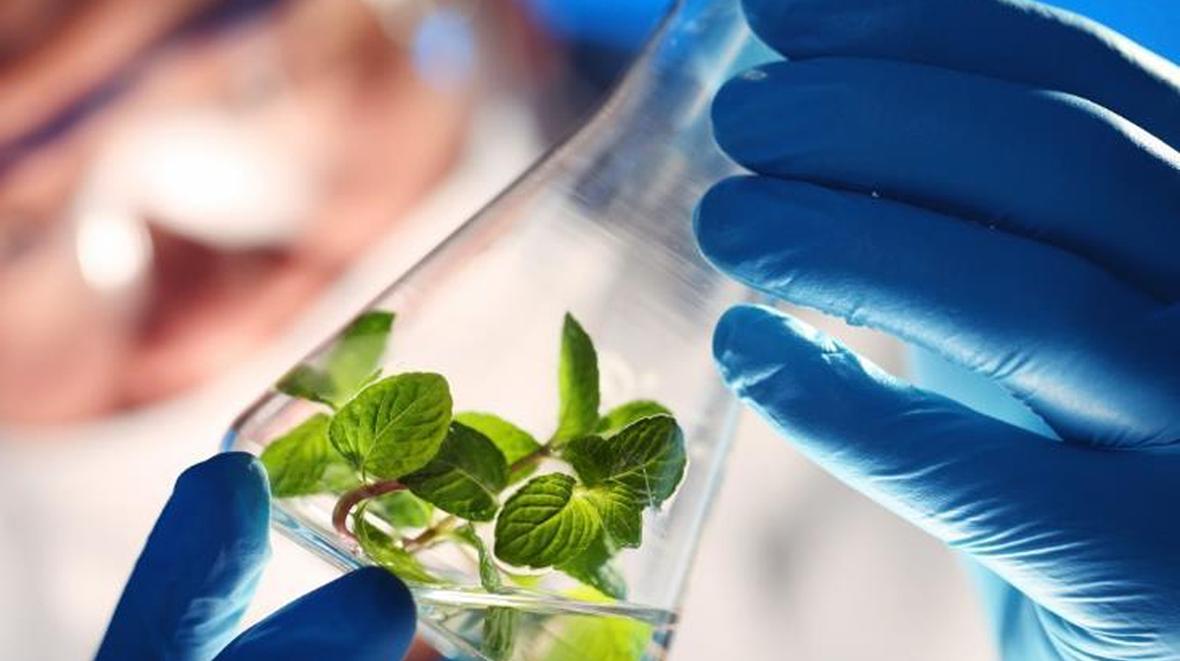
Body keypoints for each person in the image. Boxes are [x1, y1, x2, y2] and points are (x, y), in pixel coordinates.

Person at [102, 0, 1179, 658]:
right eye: (16, 239)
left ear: (494, 16)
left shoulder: (965, 312)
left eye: (248, 85)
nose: (186, 241)